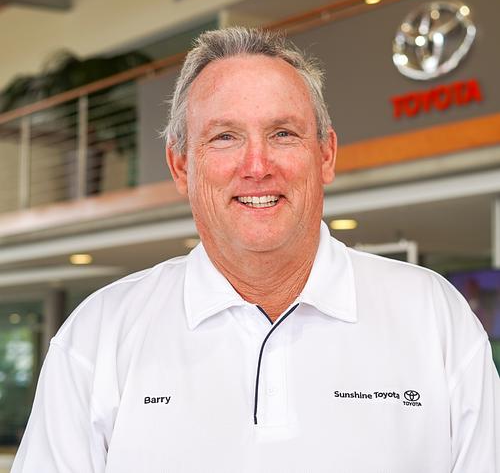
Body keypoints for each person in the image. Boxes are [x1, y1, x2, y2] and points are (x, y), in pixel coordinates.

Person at [12, 27, 499, 472]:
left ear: (325, 154)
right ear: (181, 166)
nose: (257, 165)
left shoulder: (434, 316)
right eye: (225, 137)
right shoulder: (97, 337)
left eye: (282, 134)